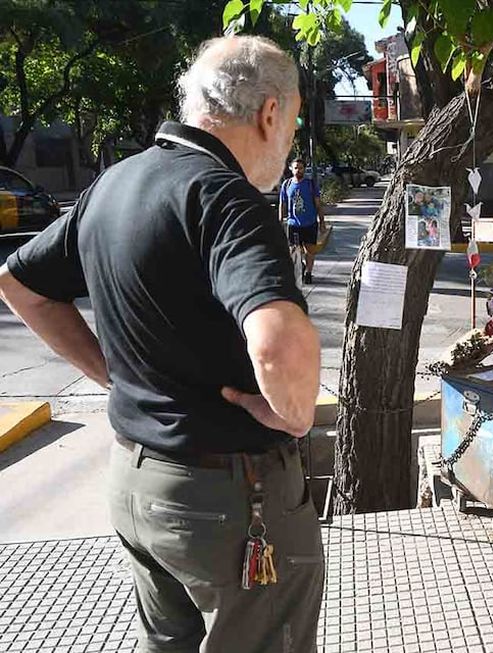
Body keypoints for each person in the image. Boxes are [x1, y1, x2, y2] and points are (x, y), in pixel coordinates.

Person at [0, 36, 324, 653]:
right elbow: (280, 342)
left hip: (136, 483)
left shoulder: (115, 183)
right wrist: (294, 414)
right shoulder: (226, 197)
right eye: (296, 116)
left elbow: (21, 284)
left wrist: (112, 377)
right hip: (231, 499)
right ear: (271, 114)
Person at [279, 158, 325, 284]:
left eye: (300, 168)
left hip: (310, 223)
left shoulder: (310, 184)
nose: (298, 170)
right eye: (295, 168)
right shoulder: (286, 184)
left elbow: (318, 204)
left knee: (310, 251)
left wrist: (322, 222)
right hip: (293, 224)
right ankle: (301, 266)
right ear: (291, 169)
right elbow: (282, 204)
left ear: (304, 169)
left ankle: (309, 273)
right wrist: (280, 221)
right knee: (294, 251)